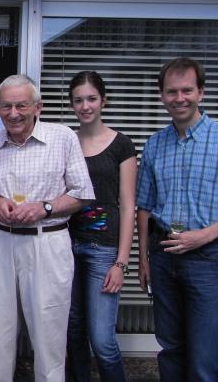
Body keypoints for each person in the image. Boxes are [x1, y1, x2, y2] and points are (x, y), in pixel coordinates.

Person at [136, 57, 218, 382]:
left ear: (201, 92)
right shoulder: (154, 144)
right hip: (163, 255)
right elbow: (144, 206)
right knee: (171, 348)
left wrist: (202, 236)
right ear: (162, 95)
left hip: (208, 258)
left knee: (205, 355)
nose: (179, 98)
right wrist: (143, 258)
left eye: (187, 90)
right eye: (171, 91)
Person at [0, 74, 94, 382]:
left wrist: (43, 208)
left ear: (38, 107)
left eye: (21, 105)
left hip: (48, 242)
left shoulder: (62, 137)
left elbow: (82, 193)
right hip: (2, 242)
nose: (13, 113)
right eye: (6, 106)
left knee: (49, 333)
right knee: (1, 330)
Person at [66, 71, 137, 382]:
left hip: (102, 251)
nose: (85, 106)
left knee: (103, 342)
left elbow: (128, 205)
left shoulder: (121, 145)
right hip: (66, 248)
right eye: (79, 100)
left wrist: (121, 262)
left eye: (91, 98)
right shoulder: (66, 140)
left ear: (103, 100)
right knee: (73, 334)